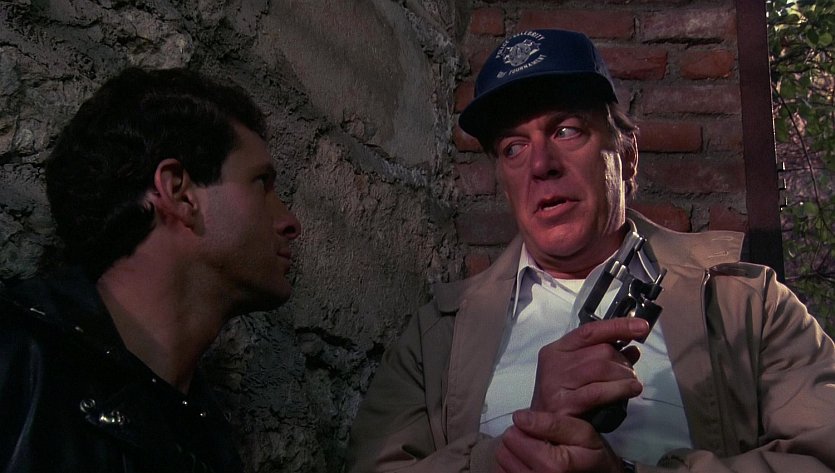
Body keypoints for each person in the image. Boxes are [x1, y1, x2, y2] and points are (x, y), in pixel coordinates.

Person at [346, 29, 835, 473]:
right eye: (514, 147)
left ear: (627, 155)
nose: (541, 164)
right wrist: (505, 458)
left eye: (566, 130)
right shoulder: (437, 336)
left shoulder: (745, 303)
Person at [0, 67, 301, 472]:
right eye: (261, 182)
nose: (290, 222)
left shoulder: (210, 450)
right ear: (179, 193)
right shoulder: (17, 359)